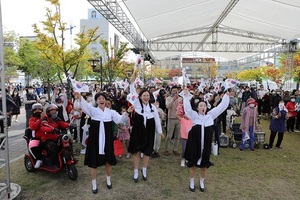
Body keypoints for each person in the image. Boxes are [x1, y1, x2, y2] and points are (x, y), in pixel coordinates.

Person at [74, 92, 130, 194]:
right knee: (93, 163)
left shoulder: (111, 112)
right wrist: (79, 97)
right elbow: (85, 106)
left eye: (103, 98)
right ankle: (94, 183)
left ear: (106, 101)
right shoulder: (93, 111)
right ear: (96, 101)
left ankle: (108, 179)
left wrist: (127, 113)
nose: (101, 100)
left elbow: (120, 119)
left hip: (107, 140)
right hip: (95, 140)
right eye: (99, 98)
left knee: (108, 160)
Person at [182, 88, 231, 192]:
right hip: (195, 144)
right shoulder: (194, 116)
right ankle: (191, 181)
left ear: (206, 107)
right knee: (194, 165)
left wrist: (226, 95)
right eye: (200, 106)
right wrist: (186, 97)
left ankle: (201, 181)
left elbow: (221, 107)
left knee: (204, 166)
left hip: (206, 145)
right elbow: (187, 109)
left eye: (204, 105)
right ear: (198, 108)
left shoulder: (210, 116)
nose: (202, 107)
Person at [128, 88, 163, 183]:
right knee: (136, 151)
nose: (146, 97)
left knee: (147, 151)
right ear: (140, 97)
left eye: (148, 95)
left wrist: (160, 131)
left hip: (149, 130)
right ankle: (136, 171)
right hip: (138, 130)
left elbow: (156, 120)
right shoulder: (137, 104)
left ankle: (144, 170)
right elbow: (132, 92)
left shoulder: (153, 107)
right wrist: (132, 81)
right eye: (144, 95)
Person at [164, 86, 182, 156]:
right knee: (169, 135)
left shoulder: (180, 98)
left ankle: (175, 149)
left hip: (178, 118)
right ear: (171, 91)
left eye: (176, 90)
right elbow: (167, 106)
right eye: (173, 90)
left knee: (177, 136)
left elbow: (182, 108)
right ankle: (166, 149)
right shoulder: (168, 98)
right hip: (171, 118)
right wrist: (173, 99)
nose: (175, 92)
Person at [28, 103, 46, 168]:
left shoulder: (45, 116)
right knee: (32, 144)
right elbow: (33, 127)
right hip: (37, 137)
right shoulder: (32, 119)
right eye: (36, 110)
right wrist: (40, 120)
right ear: (33, 111)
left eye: (39, 110)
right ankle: (39, 159)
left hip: (46, 136)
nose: (38, 111)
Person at [176, 98, 192, 167]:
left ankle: (187, 159)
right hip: (184, 137)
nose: (186, 115)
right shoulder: (182, 119)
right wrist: (179, 108)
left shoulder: (192, 120)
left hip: (190, 137)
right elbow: (176, 115)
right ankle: (183, 159)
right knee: (184, 149)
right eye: (185, 114)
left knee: (190, 149)